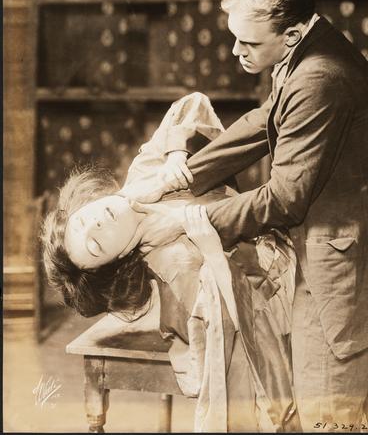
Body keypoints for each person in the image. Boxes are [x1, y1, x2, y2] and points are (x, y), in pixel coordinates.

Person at [128, 0, 368, 433]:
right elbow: (267, 119)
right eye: (234, 38)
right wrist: (178, 179)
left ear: (292, 33)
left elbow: (284, 199)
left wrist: (187, 221)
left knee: (326, 422)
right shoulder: (314, 47)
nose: (235, 51)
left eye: (248, 43)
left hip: (340, 283)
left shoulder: (318, 77)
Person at [41, 92, 300, 432]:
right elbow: (234, 331)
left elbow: (193, 103)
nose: (97, 224)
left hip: (284, 213)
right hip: (282, 276)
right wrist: (211, 251)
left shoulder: (142, 174)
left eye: (82, 220)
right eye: (95, 244)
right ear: (115, 261)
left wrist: (175, 156)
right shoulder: (175, 265)